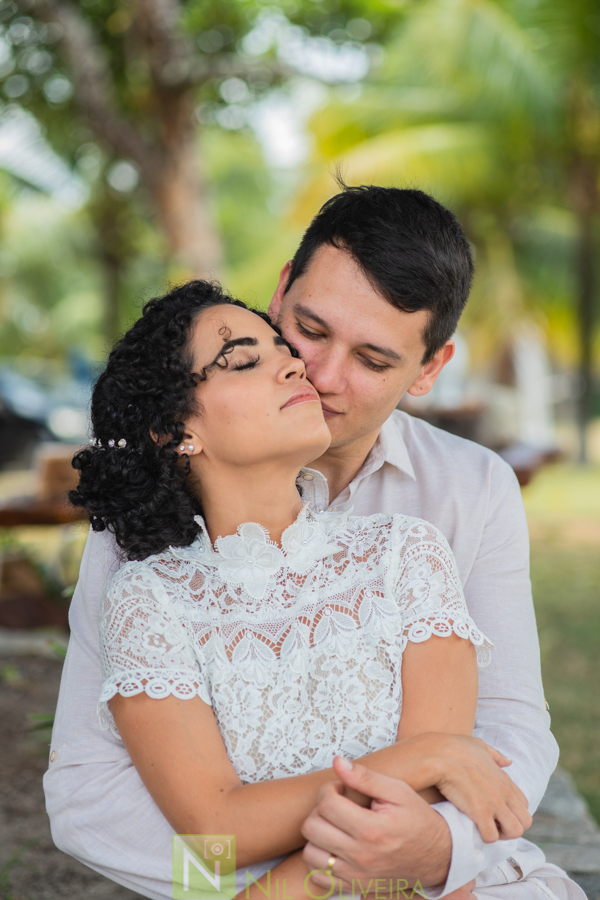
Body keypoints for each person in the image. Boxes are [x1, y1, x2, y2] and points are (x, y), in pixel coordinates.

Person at [43, 186, 580, 900]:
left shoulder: (453, 504)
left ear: (427, 368)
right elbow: (91, 794)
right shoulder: (148, 539)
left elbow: (505, 725)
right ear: (280, 292)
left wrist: (437, 849)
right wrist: (276, 881)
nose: (318, 375)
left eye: (373, 360)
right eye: (307, 330)